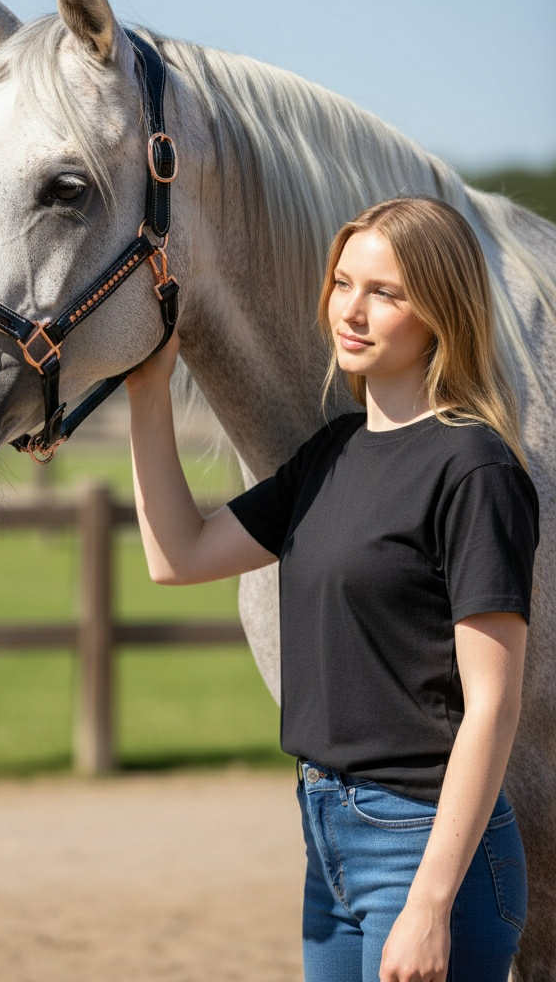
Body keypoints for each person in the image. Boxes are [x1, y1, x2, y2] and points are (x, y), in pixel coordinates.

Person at [125, 195, 538, 982]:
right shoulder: (334, 453)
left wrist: (428, 905)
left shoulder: (475, 470)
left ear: (442, 313)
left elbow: (493, 705)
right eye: (344, 283)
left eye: (386, 292)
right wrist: (149, 393)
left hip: (424, 846)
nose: (352, 309)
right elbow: (177, 555)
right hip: (327, 833)